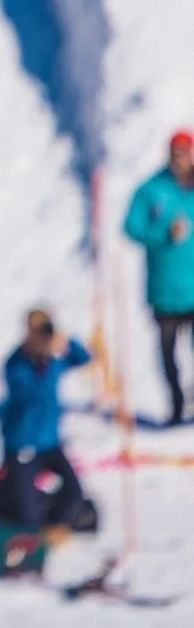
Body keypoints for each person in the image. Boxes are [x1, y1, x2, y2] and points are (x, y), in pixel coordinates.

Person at [124, 132, 194, 425]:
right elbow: (131, 227)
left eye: (185, 152)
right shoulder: (151, 189)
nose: (180, 158)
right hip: (164, 290)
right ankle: (176, 405)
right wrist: (164, 234)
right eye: (175, 153)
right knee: (168, 355)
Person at [0, 310, 90, 532]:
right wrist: (40, 354)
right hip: (22, 444)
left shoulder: (53, 361)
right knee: (26, 510)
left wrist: (66, 341)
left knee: (74, 492)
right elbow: (29, 394)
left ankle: (53, 527)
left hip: (50, 443)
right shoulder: (17, 363)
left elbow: (83, 359)